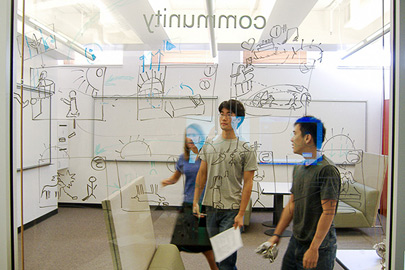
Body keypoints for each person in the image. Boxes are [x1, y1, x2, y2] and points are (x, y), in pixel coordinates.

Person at [256, 116, 341, 270]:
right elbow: (291, 205)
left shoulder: (327, 170)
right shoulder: (299, 168)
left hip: (319, 247)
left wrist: (314, 248)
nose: (291, 139)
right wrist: (276, 235)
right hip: (297, 242)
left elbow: (328, 212)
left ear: (307, 138)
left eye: (295, 133)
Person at [193, 99, 258, 270]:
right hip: (210, 207)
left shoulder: (246, 148)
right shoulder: (209, 144)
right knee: (217, 256)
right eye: (222, 114)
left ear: (239, 120)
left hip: (231, 209)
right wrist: (195, 201)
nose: (224, 118)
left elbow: (248, 183)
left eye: (229, 114)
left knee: (227, 259)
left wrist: (241, 213)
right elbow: (202, 174)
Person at [161, 124, 218, 270]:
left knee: (205, 245)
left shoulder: (208, 156)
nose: (191, 138)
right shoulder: (183, 159)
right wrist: (167, 182)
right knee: (176, 243)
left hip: (203, 204)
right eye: (188, 135)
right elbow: (175, 177)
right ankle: (169, 266)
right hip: (187, 204)